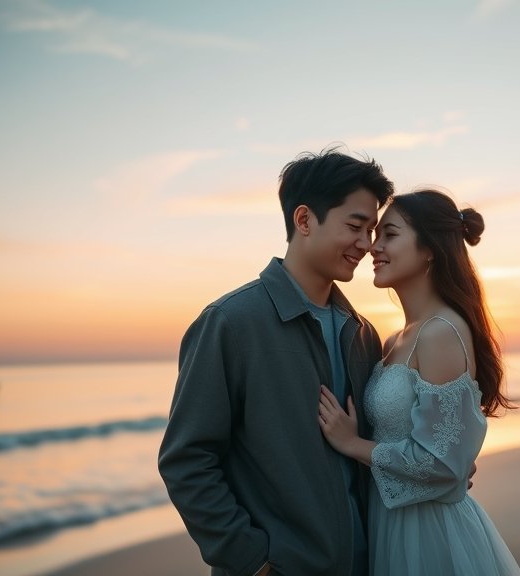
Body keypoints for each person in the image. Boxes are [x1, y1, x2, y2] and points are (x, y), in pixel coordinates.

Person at [158, 149, 394, 576]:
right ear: (304, 220)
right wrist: (251, 560)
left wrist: (436, 462)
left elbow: (374, 447)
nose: (366, 244)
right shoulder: (230, 323)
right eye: (355, 226)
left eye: (372, 230)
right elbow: (187, 458)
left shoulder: (362, 334)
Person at [318, 189, 520, 575]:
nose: (373, 248)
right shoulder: (396, 339)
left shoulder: (440, 332)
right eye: (376, 236)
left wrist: (352, 444)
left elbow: (441, 464)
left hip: (429, 534)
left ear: (429, 249)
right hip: (391, 521)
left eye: (389, 235)